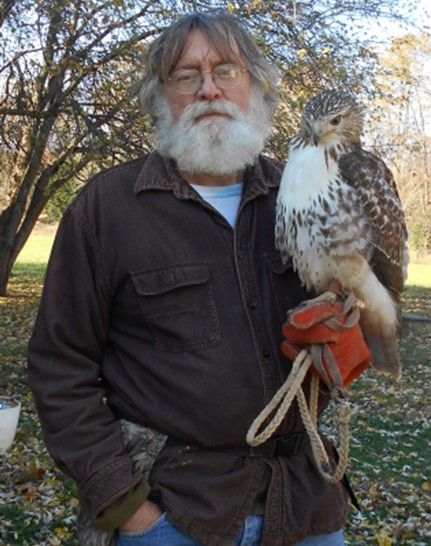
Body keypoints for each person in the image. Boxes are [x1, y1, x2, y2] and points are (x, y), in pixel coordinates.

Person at [28, 12, 354, 546]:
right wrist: (125, 506)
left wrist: (346, 319)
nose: (208, 88)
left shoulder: (306, 194)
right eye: (186, 75)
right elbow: (59, 366)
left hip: (305, 507)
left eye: (227, 70)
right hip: (177, 515)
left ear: (257, 86)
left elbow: (351, 317)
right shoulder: (106, 210)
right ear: (162, 98)